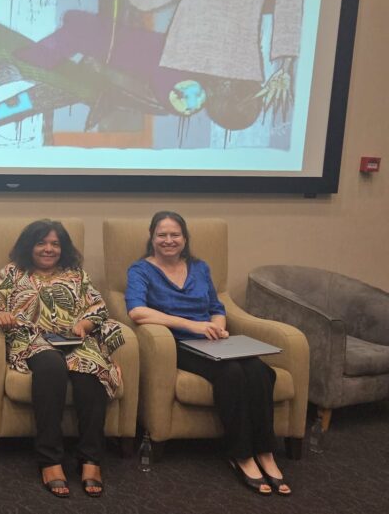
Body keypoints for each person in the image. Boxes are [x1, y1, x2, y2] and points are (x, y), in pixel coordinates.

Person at [124, 211, 292, 496]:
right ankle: (241, 455)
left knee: (260, 371)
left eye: (175, 234)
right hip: (178, 343)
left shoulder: (200, 267)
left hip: (213, 340)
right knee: (232, 373)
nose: (168, 240)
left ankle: (266, 452)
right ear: (152, 239)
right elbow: (137, 310)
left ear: (185, 238)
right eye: (162, 235)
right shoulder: (140, 270)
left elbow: (216, 306)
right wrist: (194, 326)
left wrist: (217, 327)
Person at [0, 220, 124, 498]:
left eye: (55, 244)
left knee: (90, 371)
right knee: (51, 367)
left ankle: (91, 458)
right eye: (41, 243)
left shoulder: (76, 274)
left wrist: (86, 324)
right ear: (29, 246)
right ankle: (50, 459)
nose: (48, 249)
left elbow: (98, 306)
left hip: (75, 339)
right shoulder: (13, 272)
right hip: (32, 339)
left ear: (63, 248)